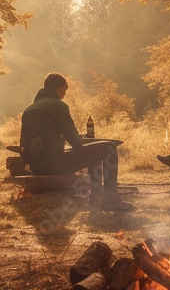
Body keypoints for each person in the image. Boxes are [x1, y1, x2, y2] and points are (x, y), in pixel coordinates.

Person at [21, 73, 134, 212]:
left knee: (93, 152)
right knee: (109, 147)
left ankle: (96, 198)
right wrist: (78, 137)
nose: (64, 95)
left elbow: (24, 142)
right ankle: (110, 199)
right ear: (59, 90)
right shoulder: (57, 105)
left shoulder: (29, 109)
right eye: (64, 92)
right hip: (54, 165)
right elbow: (76, 142)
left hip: (36, 167)